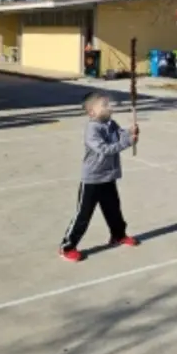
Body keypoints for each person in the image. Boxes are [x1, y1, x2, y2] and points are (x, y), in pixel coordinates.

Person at [59, 93, 140, 262]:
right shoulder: (92, 129)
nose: (109, 106)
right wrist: (127, 143)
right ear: (92, 112)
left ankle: (118, 235)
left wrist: (130, 132)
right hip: (92, 179)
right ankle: (67, 246)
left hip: (108, 176)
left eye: (108, 104)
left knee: (114, 210)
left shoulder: (111, 124)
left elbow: (120, 135)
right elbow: (104, 149)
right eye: (104, 105)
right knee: (83, 215)